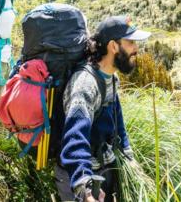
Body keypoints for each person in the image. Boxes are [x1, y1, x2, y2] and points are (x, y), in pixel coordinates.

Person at [57, 16, 151, 202]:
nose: (136, 49)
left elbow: (118, 126)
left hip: (104, 171)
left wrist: (130, 160)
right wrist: (85, 189)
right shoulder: (85, 85)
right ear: (113, 46)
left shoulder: (111, 78)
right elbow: (75, 140)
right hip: (81, 179)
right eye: (130, 42)